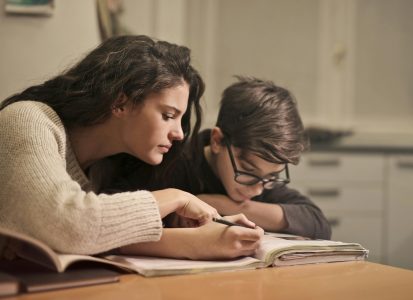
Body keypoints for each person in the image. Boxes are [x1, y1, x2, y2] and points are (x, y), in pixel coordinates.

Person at [0, 35, 263, 259]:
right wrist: (176, 197)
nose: (180, 134)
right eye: (168, 115)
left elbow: (98, 236)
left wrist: (199, 238)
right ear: (120, 103)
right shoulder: (28, 119)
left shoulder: (105, 168)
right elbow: (71, 226)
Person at [114, 76, 332, 240]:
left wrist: (228, 205)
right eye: (248, 171)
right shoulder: (170, 162)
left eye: (272, 177)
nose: (257, 190)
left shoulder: (261, 180)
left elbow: (317, 223)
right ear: (217, 141)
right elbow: (114, 215)